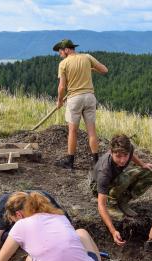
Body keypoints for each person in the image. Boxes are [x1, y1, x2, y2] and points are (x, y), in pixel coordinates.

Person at [90, 134, 152, 246]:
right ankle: (112, 203)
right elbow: (101, 206)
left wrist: (142, 164)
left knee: (151, 173)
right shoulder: (104, 171)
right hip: (99, 187)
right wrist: (113, 231)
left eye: (125, 155)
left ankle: (123, 200)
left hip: (117, 177)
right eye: (118, 156)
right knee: (124, 179)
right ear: (111, 152)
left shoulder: (128, 150)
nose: (123, 160)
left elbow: (132, 155)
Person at [53, 39, 108, 169]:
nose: (59, 54)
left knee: (72, 131)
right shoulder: (87, 57)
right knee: (92, 131)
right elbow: (105, 70)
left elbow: (61, 87)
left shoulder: (63, 64)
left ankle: (70, 163)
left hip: (74, 99)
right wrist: (91, 68)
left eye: (60, 51)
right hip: (90, 97)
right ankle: (96, 162)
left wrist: (60, 100)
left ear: (66, 50)